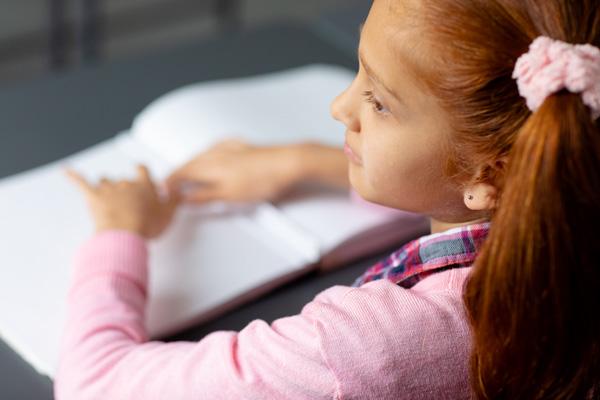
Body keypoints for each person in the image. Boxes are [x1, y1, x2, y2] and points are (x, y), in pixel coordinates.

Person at [55, 0, 600, 398]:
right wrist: (307, 162)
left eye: (380, 103)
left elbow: (94, 383)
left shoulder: (368, 347)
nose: (341, 107)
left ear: (492, 174)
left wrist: (116, 236)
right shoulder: (575, 188)